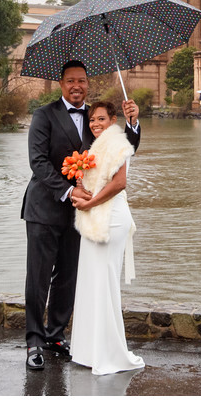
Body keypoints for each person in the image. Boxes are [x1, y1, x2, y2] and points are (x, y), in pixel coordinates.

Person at [21, 60, 140, 370]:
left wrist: (132, 124)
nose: (77, 86)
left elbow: (121, 150)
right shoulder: (43, 116)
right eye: (71, 81)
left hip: (83, 214)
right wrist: (69, 191)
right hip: (44, 209)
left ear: (88, 84)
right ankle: (34, 341)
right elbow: (38, 162)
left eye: (82, 81)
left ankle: (55, 334)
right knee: (38, 278)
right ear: (62, 84)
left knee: (68, 277)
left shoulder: (95, 118)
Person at [69, 101, 145, 375]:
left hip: (111, 218)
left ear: (113, 120)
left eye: (101, 118)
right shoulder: (95, 147)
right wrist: (80, 184)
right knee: (91, 282)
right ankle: (90, 351)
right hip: (94, 218)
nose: (95, 123)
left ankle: (110, 353)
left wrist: (89, 204)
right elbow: (96, 182)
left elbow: (119, 183)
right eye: (92, 120)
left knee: (104, 283)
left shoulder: (118, 144)